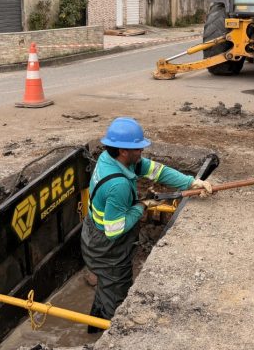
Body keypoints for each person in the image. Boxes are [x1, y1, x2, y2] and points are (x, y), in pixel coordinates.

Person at [81, 117, 213, 329]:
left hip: (92, 232)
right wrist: (141, 206)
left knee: (107, 286)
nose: (142, 151)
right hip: (107, 246)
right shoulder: (118, 184)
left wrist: (191, 182)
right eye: (138, 148)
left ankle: (92, 327)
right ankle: (107, 335)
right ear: (123, 151)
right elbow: (114, 231)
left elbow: (158, 171)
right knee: (117, 295)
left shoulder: (112, 159)